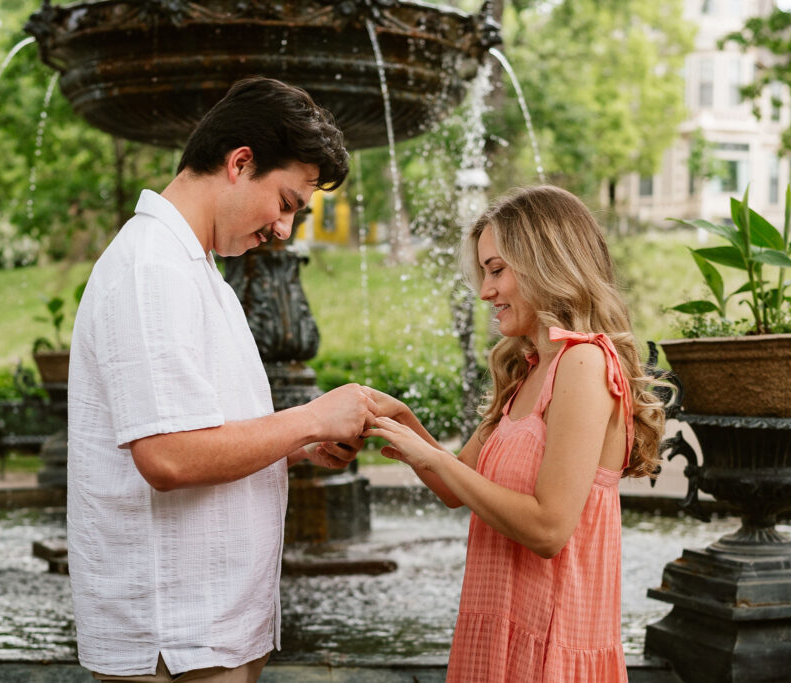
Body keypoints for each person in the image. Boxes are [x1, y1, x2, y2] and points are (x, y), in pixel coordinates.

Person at [66, 77, 376, 682]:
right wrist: (308, 418)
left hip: (207, 632)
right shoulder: (152, 269)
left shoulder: (194, 266)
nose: (284, 229)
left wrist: (297, 448)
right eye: (286, 203)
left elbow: (205, 437)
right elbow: (169, 458)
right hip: (175, 638)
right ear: (240, 163)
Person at [363, 185, 665, 682]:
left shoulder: (584, 362)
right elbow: (454, 487)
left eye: (497, 270)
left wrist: (434, 460)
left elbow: (549, 530)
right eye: (484, 272)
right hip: (501, 631)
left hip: (550, 642)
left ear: (548, 262)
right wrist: (403, 423)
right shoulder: (527, 370)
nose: (486, 291)